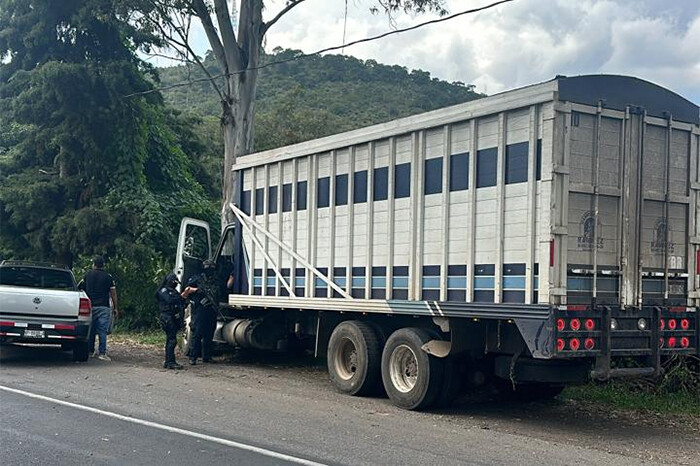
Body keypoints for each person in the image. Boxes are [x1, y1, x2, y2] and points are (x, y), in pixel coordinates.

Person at [80, 255, 118, 361]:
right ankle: (102, 353)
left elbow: (80, 288)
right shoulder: (108, 277)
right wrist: (115, 307)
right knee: (102, 330)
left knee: (91, 328)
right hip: (103, 307)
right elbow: (113, 293)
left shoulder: (87, 275)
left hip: (90, 306)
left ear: (94, 264)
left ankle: (90, 350)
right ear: (103, 265)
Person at [182, 260, 219, 365]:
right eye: (208, 267)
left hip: (211, 309)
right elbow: (187, 290)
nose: (210, 270)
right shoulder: (197, 278)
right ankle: (193, 357)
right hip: (200, 309)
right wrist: (197, 290)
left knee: (209, 333)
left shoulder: (214, 280)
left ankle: (206, 356)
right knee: (197, 333)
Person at [155, 273, 186, 370]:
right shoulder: (163, 290)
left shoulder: (173, 291)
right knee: (172, 340)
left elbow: (180, 303)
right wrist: (181, 296)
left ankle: (169, 361)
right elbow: (169, 300)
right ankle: (170, 362)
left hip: (173, 317)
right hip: (167, 317)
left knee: (171, 339)